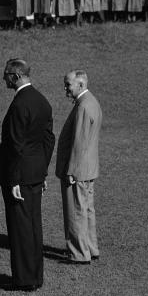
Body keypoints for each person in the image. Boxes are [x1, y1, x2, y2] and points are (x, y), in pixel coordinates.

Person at [0, 58, 55, 291]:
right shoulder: (42, 101)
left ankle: (23, 279)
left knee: (20, 228)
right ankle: (35, 275)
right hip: (34, 174)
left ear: (16, 76)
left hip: (19, 177)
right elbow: (48, 140)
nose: (4, 79)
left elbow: (15, 145)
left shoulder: (20, 104)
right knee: (33, 226)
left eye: (7, 75)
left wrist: (13, 180)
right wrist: (41, 172)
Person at [55, 70, 102, 264]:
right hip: (88, 168)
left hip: (78, 170)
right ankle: (90, 247)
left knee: (75, 211)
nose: (65, 89)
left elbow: (79, 143)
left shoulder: (83, 106)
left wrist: (71, 171)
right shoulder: (91, 101)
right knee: (86, 210)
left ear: (80, 85)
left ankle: (79, 253)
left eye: (68, 85)